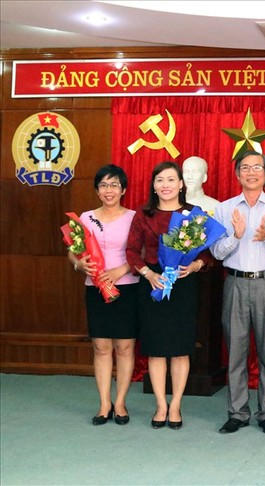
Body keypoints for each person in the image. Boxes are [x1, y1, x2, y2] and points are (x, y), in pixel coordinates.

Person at [211, 150, 265, 436]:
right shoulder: (224, 209)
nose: (251, 172)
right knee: (235, 349)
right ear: (237, 175)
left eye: (257, 168)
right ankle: (237, 412)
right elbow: (216, 252)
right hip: (235, 283)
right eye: (245, 168)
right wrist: (236, 236)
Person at [125, 161, 213, 430]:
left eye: (171, 180)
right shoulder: (144, 214)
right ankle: (160, 405)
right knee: (156, 349)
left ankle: (176, 406)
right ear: (154, 185)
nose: (166, 185)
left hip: (183, 284)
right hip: (153, 283)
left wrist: (197, 265)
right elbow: (131, 250)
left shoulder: (194, 214)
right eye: (160, 180)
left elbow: (208, 253)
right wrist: (148, 274)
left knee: (180, 350)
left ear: (181, 184)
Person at [69, 164, 138, 426]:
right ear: (97, 190)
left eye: (114, 185)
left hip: (127, 287)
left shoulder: (134, 217)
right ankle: (104, 404)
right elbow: (73, 250)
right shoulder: (85, 218)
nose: (109, 190)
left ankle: (120, 403)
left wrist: (121, 270)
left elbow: (142, 252)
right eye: (104, 185)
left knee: (124, 346)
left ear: (123, 190)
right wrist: (78, 264)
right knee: (101, 347)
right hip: (95, 287)